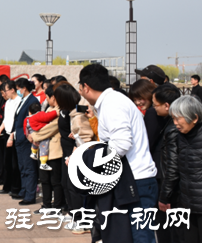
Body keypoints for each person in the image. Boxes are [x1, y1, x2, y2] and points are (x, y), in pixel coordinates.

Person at [79, 64, 158, 243]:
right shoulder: (111, 101)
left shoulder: (112, 104)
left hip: (137, 182)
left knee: (140, 238)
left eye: (80, 88)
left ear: (86, 87)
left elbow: (122, 144)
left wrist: (90, 161)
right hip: (132, 181)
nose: (81, 93)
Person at [54, 81, 94, 234]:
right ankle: (74, 215)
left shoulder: (77, 115)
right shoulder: (68, 112)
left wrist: (72, 155)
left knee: (75, 189)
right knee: (67, 186)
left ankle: (82, 221)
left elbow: (85, 139)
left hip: (76, 156)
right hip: (68, 153)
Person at [168, 96, 202, 242]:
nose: (175, 123)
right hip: (187, 204)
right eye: (173, 119)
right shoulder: (180, 136)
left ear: (194, 118)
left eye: (178, 119)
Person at [152, 84, 183, 243]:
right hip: (182, 192)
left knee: (169, 233)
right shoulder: (180, 124)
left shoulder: (172, 128)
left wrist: (164, 196)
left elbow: (172, 166)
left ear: (167, 105)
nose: (154, 108)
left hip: (173, 194)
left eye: (155, 105)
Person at [29, 86, 64, 214]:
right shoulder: (49, 109)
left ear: (53, 97)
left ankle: (57, 206)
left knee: (55, 181)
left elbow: (50, 129)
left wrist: (34, 135)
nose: (46, 100)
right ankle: (46, 205)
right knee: (44, 180)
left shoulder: (59, 111)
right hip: (43, 152)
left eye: (47, 98)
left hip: (55, 151)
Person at [12, 78, 39, 205]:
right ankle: (24, 190)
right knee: (22, 167)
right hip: (20, 138)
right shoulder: (23, 100)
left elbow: (33, 120)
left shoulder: (32, 101)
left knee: (29, 168)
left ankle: (30, 195)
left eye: (18, 89)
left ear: (24, 88)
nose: (18, 91)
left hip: (27, 139)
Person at [0, 81, 21, 197]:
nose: (5, 93)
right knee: (7, 163)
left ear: (13, 90)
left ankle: (16, 188)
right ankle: (7, 186)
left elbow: (17, 121)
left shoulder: (19, 101)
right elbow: (6, 119)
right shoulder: (8, 102)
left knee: (15, 164)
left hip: (14, 136)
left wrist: (12, 136)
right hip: (7, 134)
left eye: (6, 90)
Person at [24, 102, 57, 171]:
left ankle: (33, 153)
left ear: (29, 112)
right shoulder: (39, 115)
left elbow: (25, 130)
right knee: (44, 148)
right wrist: (56, 112)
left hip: (33, 136)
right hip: (41, 136)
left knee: (35, 144)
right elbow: (48, 117)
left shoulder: (26, 119)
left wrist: (27, 136)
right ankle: (43, 163)